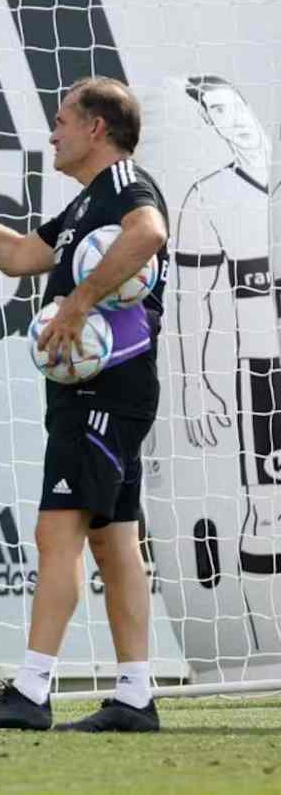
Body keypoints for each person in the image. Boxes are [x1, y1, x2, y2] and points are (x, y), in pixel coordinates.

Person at [0, 76, 169, 732]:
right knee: (112, 538)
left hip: (107, 389)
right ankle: (135, 697)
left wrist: (77, 302)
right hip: (101, 394)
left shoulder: (128, 185)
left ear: (96, 128)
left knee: (57, 532)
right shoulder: (81, 207)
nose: (53, 131)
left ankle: (32, 690)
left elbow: (150, 233)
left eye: (63, 118)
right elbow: (17, 255)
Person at [174, 77, 281, 621]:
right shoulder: (208, 198)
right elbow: (193, 302)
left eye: (228, 105)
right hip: (264, 375)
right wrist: (195, 384)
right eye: (213, 113)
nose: (226, 119)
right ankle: (267, 664)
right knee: (267, 515)